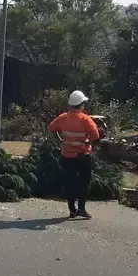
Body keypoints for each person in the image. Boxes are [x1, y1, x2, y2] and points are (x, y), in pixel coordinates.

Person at [49, 90, 100, 219]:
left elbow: (51, 128)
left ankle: (72, 210)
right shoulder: (85, 119)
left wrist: (59, 139)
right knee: (84, 182)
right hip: (83, 155)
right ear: (81, 105)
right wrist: (89, 143)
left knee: (69, 182)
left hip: (67, 155)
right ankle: (81, 208)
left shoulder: (63, 118)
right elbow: (95, 134)